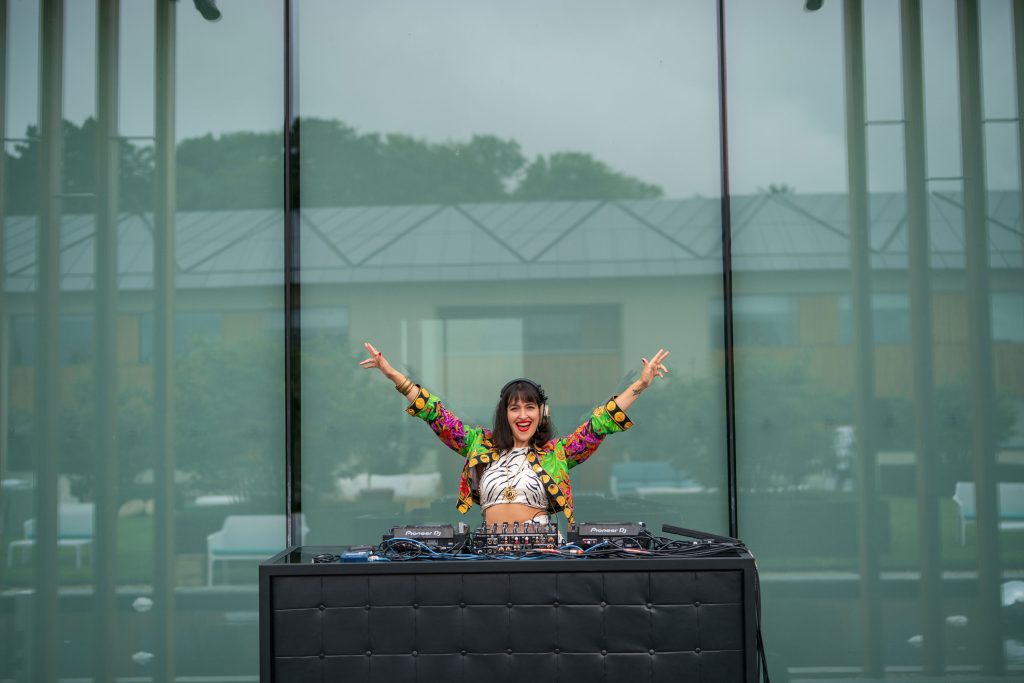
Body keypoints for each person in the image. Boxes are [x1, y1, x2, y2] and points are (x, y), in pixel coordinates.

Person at [359, 341, 670, 526]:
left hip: (542, 556)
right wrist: (392, 374)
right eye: (514, 408)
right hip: (490, 556)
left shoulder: (557, 453)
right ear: (504, 414)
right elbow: (435, 413)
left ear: (540, 412)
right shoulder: (477, 445)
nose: (523, 415)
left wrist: (641, 384)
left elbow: (601, 421)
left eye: (530, 407)